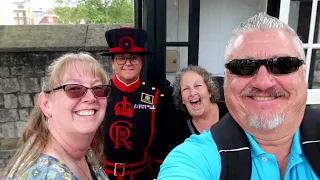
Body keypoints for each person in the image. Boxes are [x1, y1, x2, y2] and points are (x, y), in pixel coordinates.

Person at [158, 12, 320, 179]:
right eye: (244, 66)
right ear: (227, 81)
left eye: (284, 64)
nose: (263, 83)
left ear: (304, 75)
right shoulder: (193, 157)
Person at [2, 52, 110, 180]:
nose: (91, 98)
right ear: (46, 104)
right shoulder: (46, 175)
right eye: (74, 88)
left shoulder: (80, 151)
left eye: (98, 88)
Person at [100, 27, 165, 180]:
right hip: (103, 175)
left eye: (134, 58)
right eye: (121, 58)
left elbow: (161, 145)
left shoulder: (155, 96)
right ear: (112, 63)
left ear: (141, 62)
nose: (127, 63)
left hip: (142, 175)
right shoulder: (99, 94)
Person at [171, 65, 228, 137]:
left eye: (198, 86)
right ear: (182, 99)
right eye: (186, 89)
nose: (192, 93)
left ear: (209, 91)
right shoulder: (178, 129)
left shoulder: (232, 115)